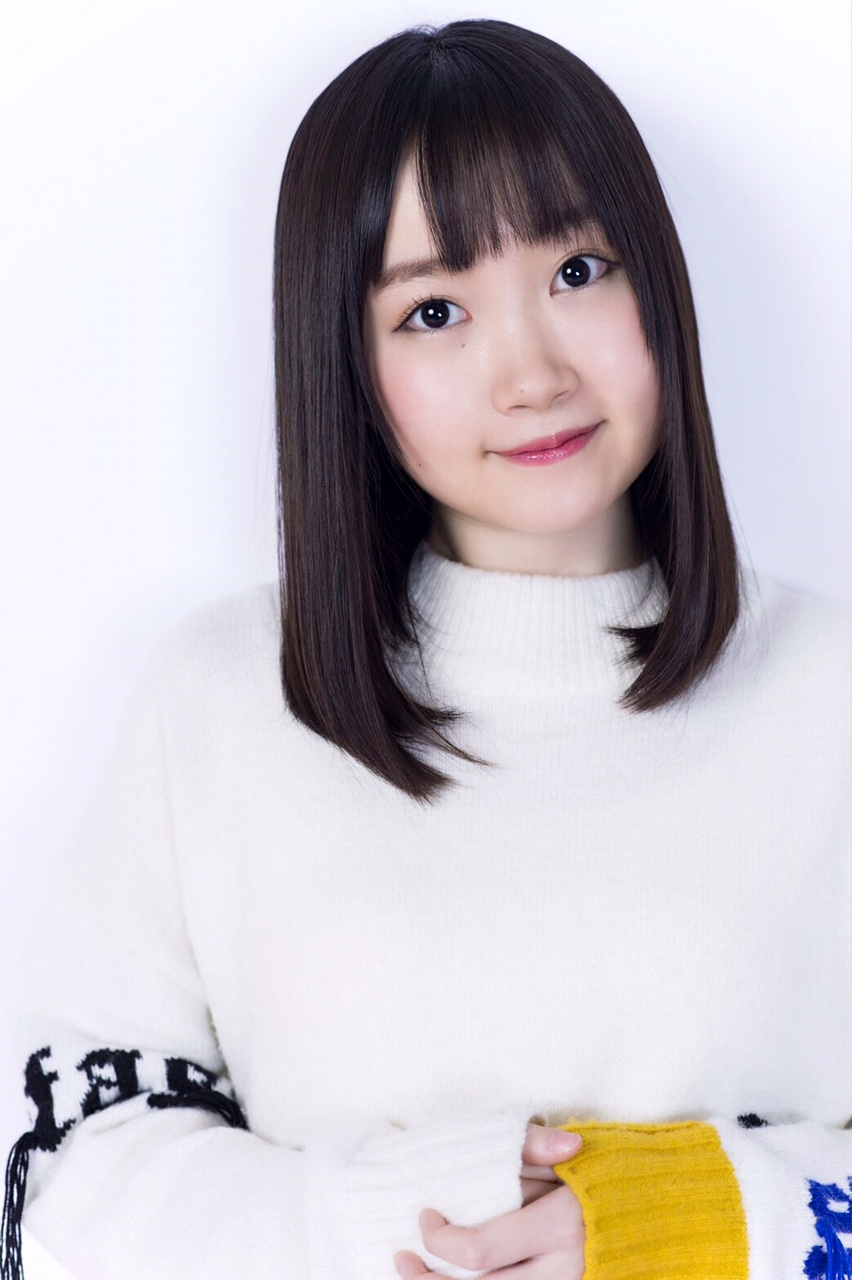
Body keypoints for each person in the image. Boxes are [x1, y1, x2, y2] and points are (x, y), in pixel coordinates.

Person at [3, 17, 851, 1280]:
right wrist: (410, 1216)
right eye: (435, 309)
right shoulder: (224, 699)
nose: (531, 374)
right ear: (346, 363)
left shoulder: (828, 691)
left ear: (659, 283)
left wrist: (688, 1218)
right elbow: (61, 1187)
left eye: (579, 270)